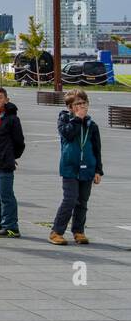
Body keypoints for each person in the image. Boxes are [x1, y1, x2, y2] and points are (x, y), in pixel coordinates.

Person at [50, 89, 104, 245]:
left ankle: (78, 231)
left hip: (87, 168)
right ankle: (56, 231)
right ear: (70, 107)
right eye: (77, 104)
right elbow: (67, 135)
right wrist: (77, 119)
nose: (81, 106)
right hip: (70, 167)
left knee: (82, 201)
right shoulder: (65, 121)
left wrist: (98, 170)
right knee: (70, 199)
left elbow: (97, 149)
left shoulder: (92, 125)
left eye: (84, 103)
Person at [0, 87, 25, 237]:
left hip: (4, 163)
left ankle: (11, 226)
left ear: (7, 100)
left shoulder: (12, 119)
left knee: (5, 195)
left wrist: (12, 156)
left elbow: (19, 142)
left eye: (0, 97)